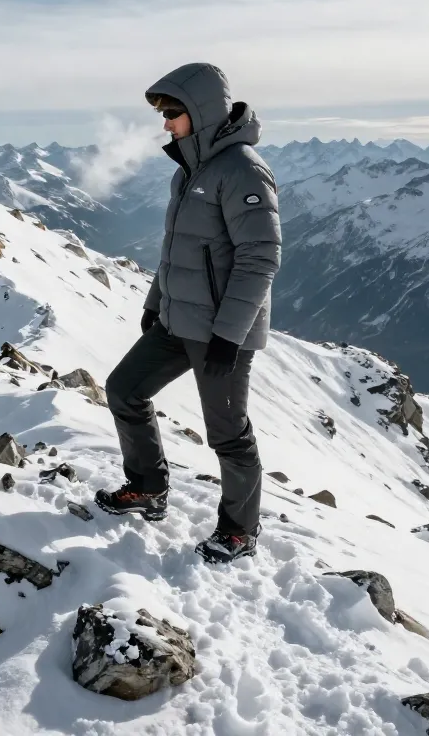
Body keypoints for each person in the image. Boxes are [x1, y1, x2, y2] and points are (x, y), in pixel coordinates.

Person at [94, 63, 282, 563]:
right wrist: (156, 302)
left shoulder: (243, 169)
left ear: (200, 113)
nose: (165, 123)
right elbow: (178, 248)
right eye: (164, 113)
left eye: (173, 112)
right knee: (124, 390)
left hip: (222, 332)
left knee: (227, 432)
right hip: (179, 320)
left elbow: (260, 257)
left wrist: (229, 336)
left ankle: (240, 531)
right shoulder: (189, 171)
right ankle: (148, 488)